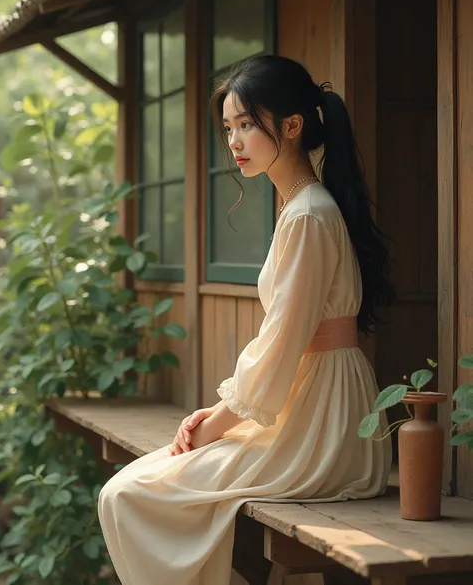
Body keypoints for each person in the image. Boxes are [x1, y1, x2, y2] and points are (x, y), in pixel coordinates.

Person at [98, 55, 395, 585]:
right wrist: (217, 409)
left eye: (247, 125)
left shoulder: (307, 214)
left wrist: (214, 425)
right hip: (313, 407)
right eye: (229, 128)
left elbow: (283, 346)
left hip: (321, 425)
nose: (234, 141)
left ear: (292, 126)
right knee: (131, 488)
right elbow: (284, 344)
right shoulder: (302, 208)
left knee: (125, 494)